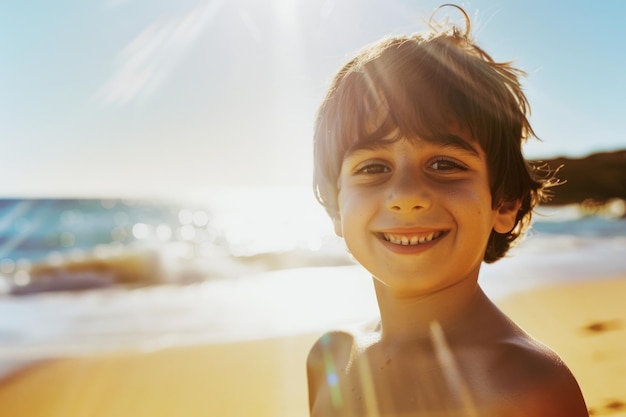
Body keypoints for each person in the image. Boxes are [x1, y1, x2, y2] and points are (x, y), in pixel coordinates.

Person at [306, 4, 589, 417]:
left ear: (504, 203)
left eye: (444, 164)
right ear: (335, 206)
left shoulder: (526, 387)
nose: (405, 195)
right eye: (372, 167)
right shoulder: (330, 357)